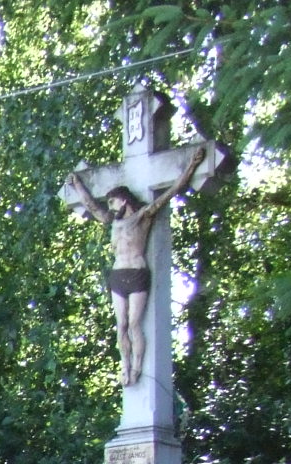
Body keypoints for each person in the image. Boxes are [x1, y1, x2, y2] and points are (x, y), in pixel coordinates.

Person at [66, 144, 206, 387]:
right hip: (118, 274)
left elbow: (172, 191)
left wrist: (192, 165)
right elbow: (91, 206)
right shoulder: (111, 221)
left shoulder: (143, 216)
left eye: (112, 201)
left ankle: (138, 366)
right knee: (121, 325)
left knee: (133, 324)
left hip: (137, 272)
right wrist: (77, 184)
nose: (110, 206)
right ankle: (125, 366)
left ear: (123, 200)